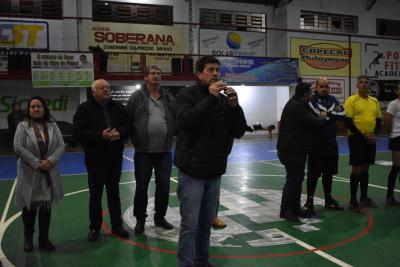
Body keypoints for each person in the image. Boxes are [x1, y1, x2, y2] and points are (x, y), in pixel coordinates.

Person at [173, 55, 247, 267]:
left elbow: (239, 131)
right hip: (192, 171)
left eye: (217, 70)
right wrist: (210, 98)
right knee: (190, 224)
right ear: (199, 74)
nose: (215, 73)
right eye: (210, 69)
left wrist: (235, 107)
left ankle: (202, 262)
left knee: (206, 223)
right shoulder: (185, 95)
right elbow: (186, 123)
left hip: (215, 170)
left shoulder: (224, 99)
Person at [73, 79, 130, 241]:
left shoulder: (118, 107)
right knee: (95, 196)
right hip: (95, 160)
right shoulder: (84, 108)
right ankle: (95, 227)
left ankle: (117, 226)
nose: (106, 89)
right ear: (93, 92)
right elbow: (78, 131)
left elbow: (128, 126)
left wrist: (119, 133)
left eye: (107, 87)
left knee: (114, 194)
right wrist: (100, 135)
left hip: (115, 159)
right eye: (102, 87)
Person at [126, 65, 175, 234]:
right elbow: (128, 120)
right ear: (145, 77)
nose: (156, 76)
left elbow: (176, 116)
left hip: (165, 151)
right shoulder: (136, 97)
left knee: (164, 187)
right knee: (141, 187)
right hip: (143, 152)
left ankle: (160, 218)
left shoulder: (168, 96)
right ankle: (140, 219)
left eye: (159, 73)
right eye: (153, 73)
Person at [14, 96, 65, 252]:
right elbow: (18, 147)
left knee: (45, 208)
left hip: (49, 172)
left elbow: (61, 145)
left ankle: (44, 239)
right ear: (29, 110)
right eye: (33, 107)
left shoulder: (53, 126)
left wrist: (49, 161)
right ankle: (28, 238)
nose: (36, 109)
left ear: (44, 109)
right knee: (29, 208)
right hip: (30, 172)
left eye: (39, 106)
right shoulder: (23, 126)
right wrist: (37, 163)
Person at [277, 82, 326, 222]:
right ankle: (286, 210)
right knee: (293, 180)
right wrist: (323, 117)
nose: (312, 95)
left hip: (295, 149)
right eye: (310, 93)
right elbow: (315, 122)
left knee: (297, 180)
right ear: (305, 94)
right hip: (291, 150)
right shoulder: (297, 107)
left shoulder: (299, 104)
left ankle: (295, 208)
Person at [304, 77, 345, 216]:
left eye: (327, 86)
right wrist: (333, 114)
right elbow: (316, 114)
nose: (324, 89)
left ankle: (328, 199)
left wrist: (327, 114)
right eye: (322, 86)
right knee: (313, 174)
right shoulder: (311, 100)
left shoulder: (333, 99)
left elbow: (343, 114)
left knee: (329, 173)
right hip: (316, 144)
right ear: (316, 87)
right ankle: (309, 201)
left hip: (331, 142)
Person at [344, 75, 382, 212]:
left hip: (370, 140)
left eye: (367, 82)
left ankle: (364, 198)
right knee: (357, 169)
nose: (364, 84)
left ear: (370, 85)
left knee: (366, 168)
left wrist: (374, 135)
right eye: (361, 82)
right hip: (356, 139)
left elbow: (378, 121)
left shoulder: (374, 101)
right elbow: (347, 121)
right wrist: (362, 135)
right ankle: (353, 200)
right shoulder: (351, 100)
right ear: (357, 85)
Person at [384, 81, 400, 206]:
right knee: (396, 167)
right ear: (396, 91)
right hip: (397, 138)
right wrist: (392, 132)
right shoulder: (394, 104)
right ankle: (389, 196)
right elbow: (387, 120)